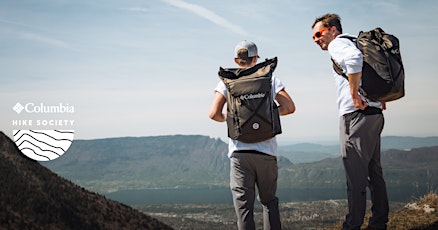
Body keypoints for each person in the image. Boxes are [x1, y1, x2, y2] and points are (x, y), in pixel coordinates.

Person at [311, 14, 389, 230]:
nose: (316, 39)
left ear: (333, 30)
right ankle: (379, 222)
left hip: (355, 118)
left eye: (319, 33)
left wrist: (354, 95)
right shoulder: (357, 41)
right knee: (374, 173)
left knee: (355, 179)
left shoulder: (338, 44)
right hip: (373, 115)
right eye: (313, 37)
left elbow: (354, 60)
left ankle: (352, 225)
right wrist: (377, 98)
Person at [209, 40, 295, 230]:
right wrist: (269, 115)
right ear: (256, 58)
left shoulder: (226, 82)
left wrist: (233, 119)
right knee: (269, 202)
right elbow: (289, 108)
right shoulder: (270, 79)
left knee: (244, 208)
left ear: (236, 60)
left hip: (240, 153)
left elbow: (213, 113)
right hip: (266, 152)